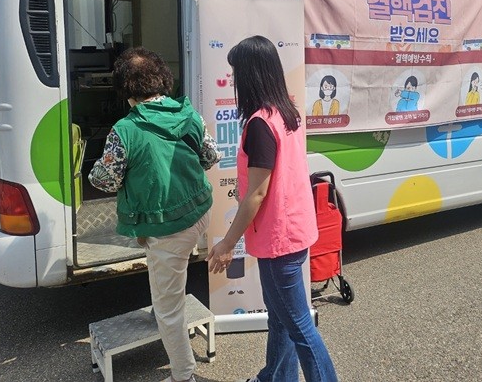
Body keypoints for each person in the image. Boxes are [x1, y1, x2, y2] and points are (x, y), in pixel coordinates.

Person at [207, 36, 338, 382]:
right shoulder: (285, 112)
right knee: (281, 319)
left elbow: (256, 194)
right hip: (292, 231)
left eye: (236, 72)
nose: (232, 79)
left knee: (299, 326)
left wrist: (226, 243)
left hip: (279, 238)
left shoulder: (260, 124)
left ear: (251, 74)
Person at [89, 47, 220, 382]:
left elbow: (106, 180)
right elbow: (210, 157)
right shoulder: (189, 115)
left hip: (167, 227)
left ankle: (183, 375)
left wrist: (92, 171)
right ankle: (168, 292)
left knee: (168, 311)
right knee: (171, 276)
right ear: (163, 79)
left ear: (126, 90)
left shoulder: (124, 130)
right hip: (199, 212)